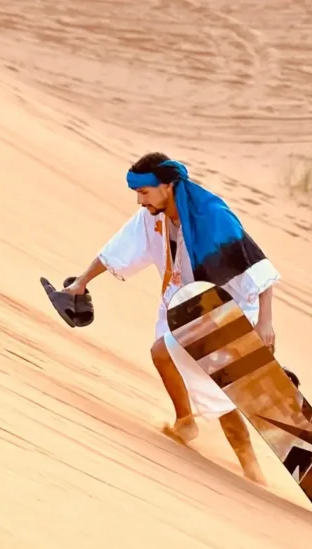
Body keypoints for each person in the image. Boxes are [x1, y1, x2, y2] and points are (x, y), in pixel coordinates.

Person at [62, 152, 281, 484]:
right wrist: (81, 283)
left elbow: (258, 268)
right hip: (180, 307)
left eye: (145, 192)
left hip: (227, 310)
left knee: (164, 354)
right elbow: (116, 249)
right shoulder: (153, 216)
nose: (140, 200)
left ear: (167, 186)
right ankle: (249, 469)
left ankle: (189, 426)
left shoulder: (211, 215)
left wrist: (265, 323)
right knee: (217, 395)